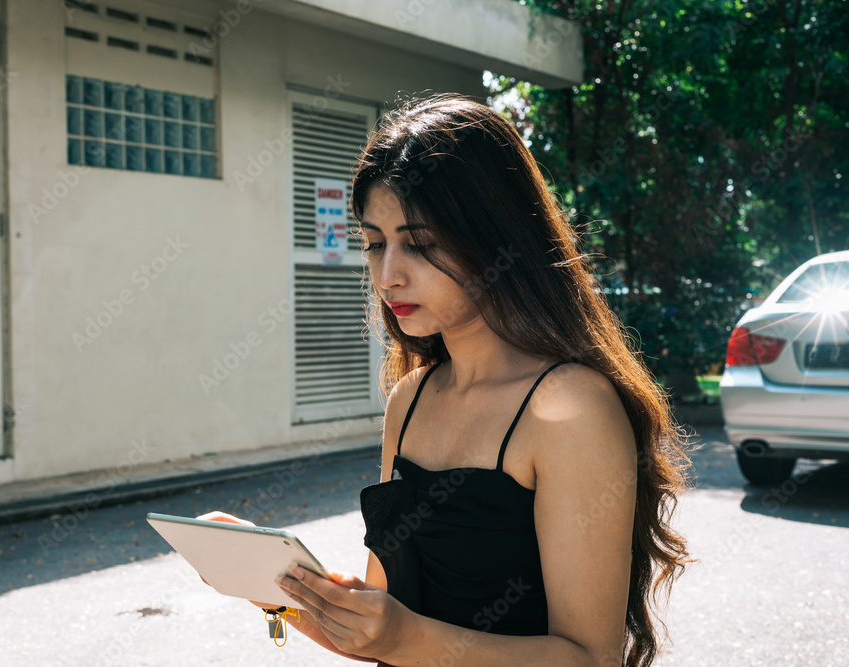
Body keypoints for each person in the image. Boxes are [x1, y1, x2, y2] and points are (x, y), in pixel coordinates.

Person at [199, 91, 694, 666]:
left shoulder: (570, 405)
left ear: (495, 238)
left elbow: (589, 658)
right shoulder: (408, 400)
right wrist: (276, 587)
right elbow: (384, 629)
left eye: (419, 243)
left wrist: (403, 638)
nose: (388, 275)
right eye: (375, 244)